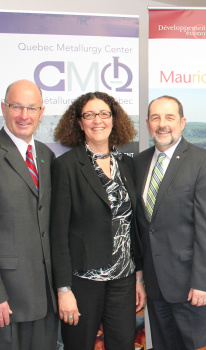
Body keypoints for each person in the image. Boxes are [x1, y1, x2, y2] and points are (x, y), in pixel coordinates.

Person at [50, 91, 145, 350]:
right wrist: (63, 290)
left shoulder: (126, 164)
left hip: (123, 281)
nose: (97, 120)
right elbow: (57, 233)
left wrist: (138, 278)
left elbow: (131, 227)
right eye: (89, 115)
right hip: (83, 283)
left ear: (114, 120)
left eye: (104, 113)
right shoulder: (67, 166)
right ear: (79, 123)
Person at [134, 96, 206, 350]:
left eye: (169, 117)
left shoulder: (203, 161)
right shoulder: (139, 163)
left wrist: (204, 283)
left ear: (183, 122)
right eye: (155, 118)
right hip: (156, 288)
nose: (162, 124)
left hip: (192, 288)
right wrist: (140, 279)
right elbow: (142, 229)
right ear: (148, 123)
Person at [0, 80, 58, 349]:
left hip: (46, 299)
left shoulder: (46, 156)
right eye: (17, 107)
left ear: (41, 111)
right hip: (8, 301)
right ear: (3, 108)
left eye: (32, 108)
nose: (25, 115)